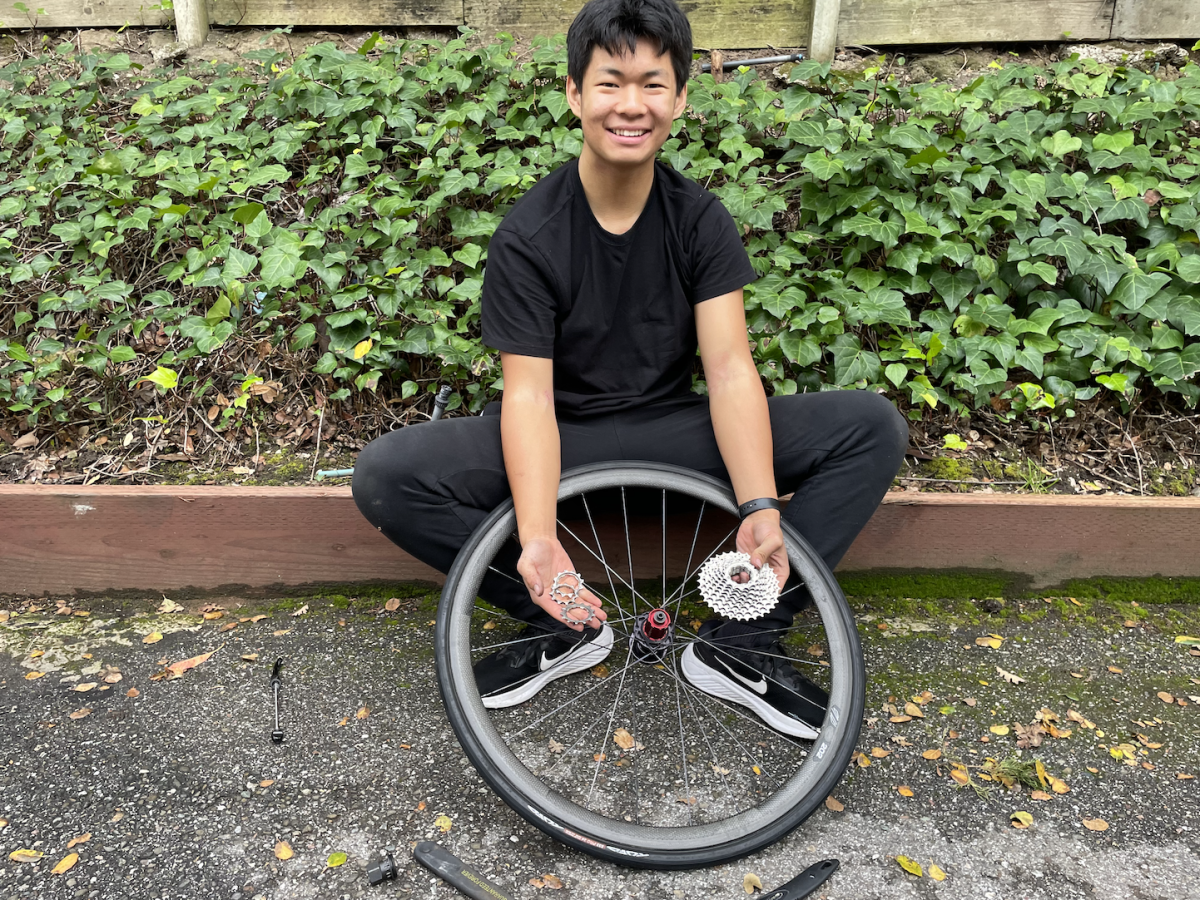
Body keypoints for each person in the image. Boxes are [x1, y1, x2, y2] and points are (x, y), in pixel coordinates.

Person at [352, 0, 908, 737]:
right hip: (566, 432)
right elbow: (528, 397)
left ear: (679, 98)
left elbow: (731, 368)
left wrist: (760, 505)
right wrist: (540, 538)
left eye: (652, 84)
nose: (631, 105)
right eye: (611, 83)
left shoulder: (699, 218)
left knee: (869, 425)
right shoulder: (530, 235)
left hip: (672, 431)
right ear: (576, 94)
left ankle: (741, 641)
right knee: (387, 473)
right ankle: (565, 625)